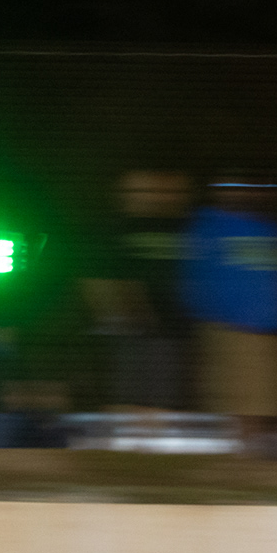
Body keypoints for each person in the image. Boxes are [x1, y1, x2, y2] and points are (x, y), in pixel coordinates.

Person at [180, 176, 277, 457]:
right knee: (242, 409)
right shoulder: (211, 227)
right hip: (233, 333)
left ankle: (270, 467)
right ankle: (242, 466)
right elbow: (198, 280)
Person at [83, 170, 193, 411]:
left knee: (163, 404)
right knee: (124, 401)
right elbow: (97, 278)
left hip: (173, 333)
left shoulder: (186, 228)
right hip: (128, 333)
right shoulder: (115, 228)